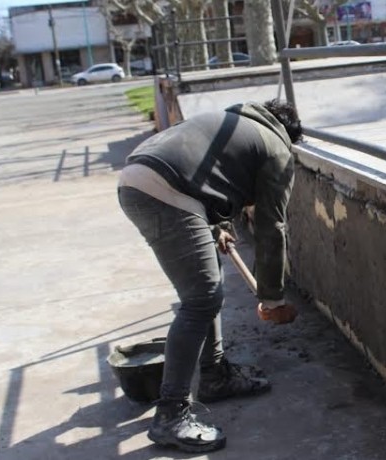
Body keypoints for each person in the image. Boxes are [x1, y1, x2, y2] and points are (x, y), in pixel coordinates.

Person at [117, 99, 303, 453]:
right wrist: (273, 298)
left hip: (139, 179)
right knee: (201, 299)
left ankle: (214, 376)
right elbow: (271, 225)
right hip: (164, 189)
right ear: (290, 135)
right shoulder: (278, 147)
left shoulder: (233, 121)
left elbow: (206, 170)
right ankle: (171, 413)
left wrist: (217, 224)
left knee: (206, 286)